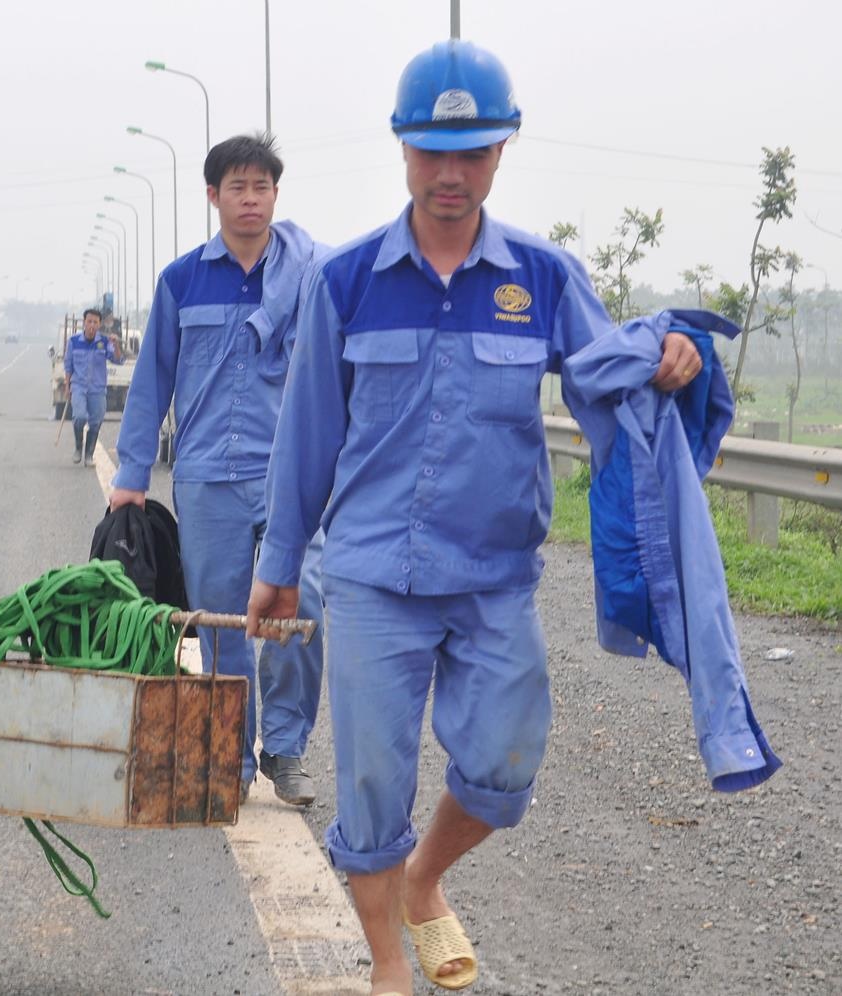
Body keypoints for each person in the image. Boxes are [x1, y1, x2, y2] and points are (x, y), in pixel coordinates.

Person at [246, 42, 703, 994]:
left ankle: (424, 879)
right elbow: (306, 431)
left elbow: (609, 368)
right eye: (431, 154)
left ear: (503, 152)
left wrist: (673, 350)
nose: (450, 176)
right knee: (371, 780)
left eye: (474, 154)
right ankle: (385, 965)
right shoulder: (349, 280)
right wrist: (280, 560)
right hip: (373, 576)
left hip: (495, 577)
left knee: (503, 761)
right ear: (403, 151)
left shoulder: (539, 276)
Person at [110, 133, 327, 806]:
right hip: (207, 476)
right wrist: (132, 472)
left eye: (262, 187)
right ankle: (231, 754)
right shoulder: (182, 280)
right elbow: (153, 381)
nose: (251, 199)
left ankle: (286, 749)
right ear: (213, 196)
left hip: (291, 473)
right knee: (220, 618)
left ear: (275, 196)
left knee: (303, 603)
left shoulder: (310, 276)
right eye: (238, 186)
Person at [63, 307, 123, 465]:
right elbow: (68, 365)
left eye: (95, 322)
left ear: (99, 324)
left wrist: (115, 345)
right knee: (79, 417)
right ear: (84, 322)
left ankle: (89, 454)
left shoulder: (104, 342)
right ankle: (78, 447)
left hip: (97, 389)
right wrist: (67, 385)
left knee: (96, 421)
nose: (91, 325)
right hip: (79, 387)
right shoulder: (74, 342)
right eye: (89, 321)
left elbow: (118, 360)